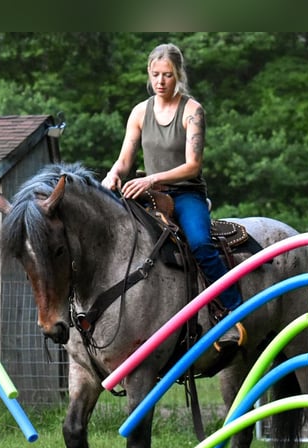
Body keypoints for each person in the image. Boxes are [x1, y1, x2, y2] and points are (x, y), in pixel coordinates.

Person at [101, 43, 246, 351]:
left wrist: (152, 178)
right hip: (148, 194)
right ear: (149, 75)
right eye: (155, 74)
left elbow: (193, 165)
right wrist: (113, 175)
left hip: (186, 193)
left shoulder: (192, 111)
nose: (161, 81)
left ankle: (233, 311)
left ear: (178, 74)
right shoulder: (140, 112)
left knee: (200, 243)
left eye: (167, 75)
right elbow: (125, 160)